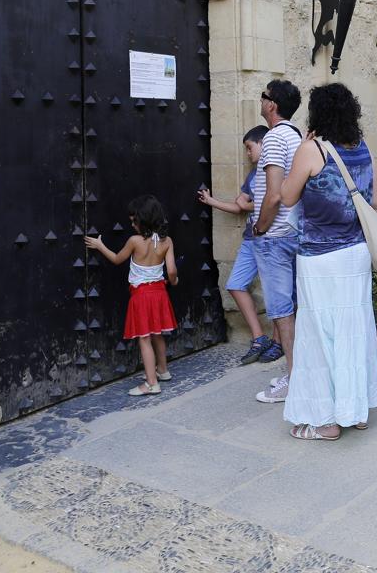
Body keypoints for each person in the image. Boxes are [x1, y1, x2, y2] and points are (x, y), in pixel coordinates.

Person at [279, 83, 377, 440]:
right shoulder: (363, 149)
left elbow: (287, 196)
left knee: (319, 334)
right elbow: (374, 199)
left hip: (320, 255)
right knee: (354, 329)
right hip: (355, 253)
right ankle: (356, 411)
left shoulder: (311, 149)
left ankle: (325, 421)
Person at [198, 125, 284, 365]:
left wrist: (249, 203)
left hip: (271, 237)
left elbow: (273, 202)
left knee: (277, 293)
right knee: (235, 284)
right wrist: (212, 201)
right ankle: (259, 337)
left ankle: (279, 342)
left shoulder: (276, 171)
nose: (247, 154)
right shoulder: (253, 175)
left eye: (249, 148)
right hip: (251, 239)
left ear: (264, 144)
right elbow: (240, 204)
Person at [85, 195, 179, 396]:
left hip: (141, 295)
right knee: (158, 334)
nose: (132, 224)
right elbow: (171, 271)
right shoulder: (167, 241)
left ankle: (151, 384)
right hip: (159, 293)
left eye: (133, 220)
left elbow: (118, 259)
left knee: (144, 339)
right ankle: (162, 370)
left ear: (142, 219)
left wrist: (101, 246)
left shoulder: (135, 241)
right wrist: (174, 281)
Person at [253, 79, 304, 404]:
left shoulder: (273, 138)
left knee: (282, 311)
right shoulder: (296, 135)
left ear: (271, 105)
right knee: (296, 307)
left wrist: (260, 227)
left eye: (263, 97)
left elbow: (273, 195)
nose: (260, 101)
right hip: (297, 231)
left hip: (275, 236)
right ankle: (300, 372)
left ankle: (294, 379)